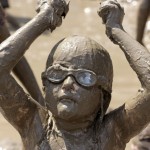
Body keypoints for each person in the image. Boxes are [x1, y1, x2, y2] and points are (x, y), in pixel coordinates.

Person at [0, 0, 150, 149]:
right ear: (45, 86)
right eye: (57, 74)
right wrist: (43, 19)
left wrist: (117, 30)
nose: (67, 84)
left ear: (104, 97)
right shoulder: (32, 123)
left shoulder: (112, 131)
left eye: (85, 78)